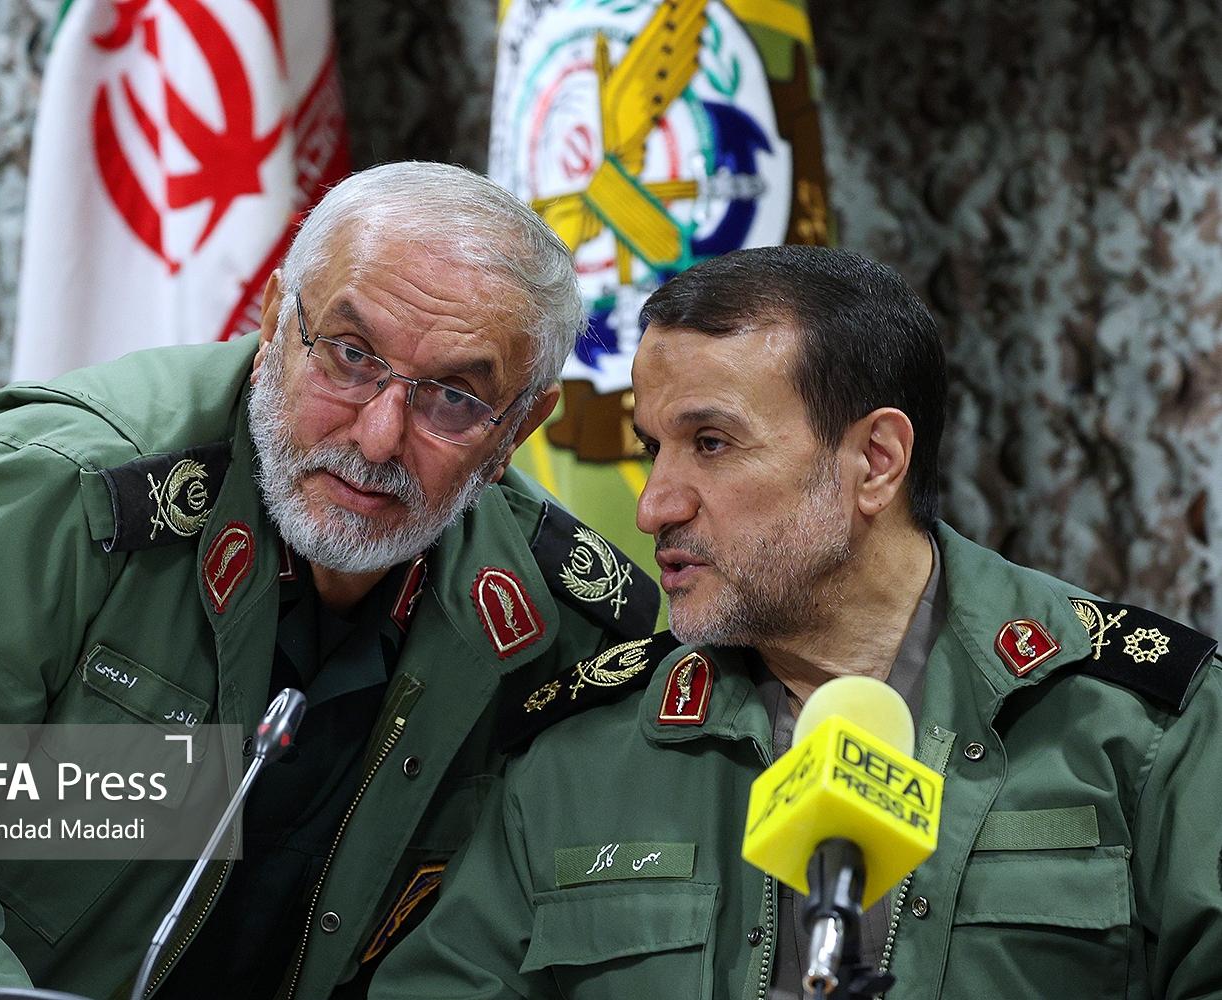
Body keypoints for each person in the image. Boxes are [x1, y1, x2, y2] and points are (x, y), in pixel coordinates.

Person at [0, 161, 660, 1000]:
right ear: (273, 322)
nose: (378, 437)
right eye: (349, 354)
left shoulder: (557, 619)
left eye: (453, 397)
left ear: (517, 430)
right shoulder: (71, 482)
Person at [368, 245, 1222, 1000]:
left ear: (875, 462)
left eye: (710, 443)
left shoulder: (1141, 724)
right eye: (652, 449)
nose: (653, 506)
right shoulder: (579, 755)